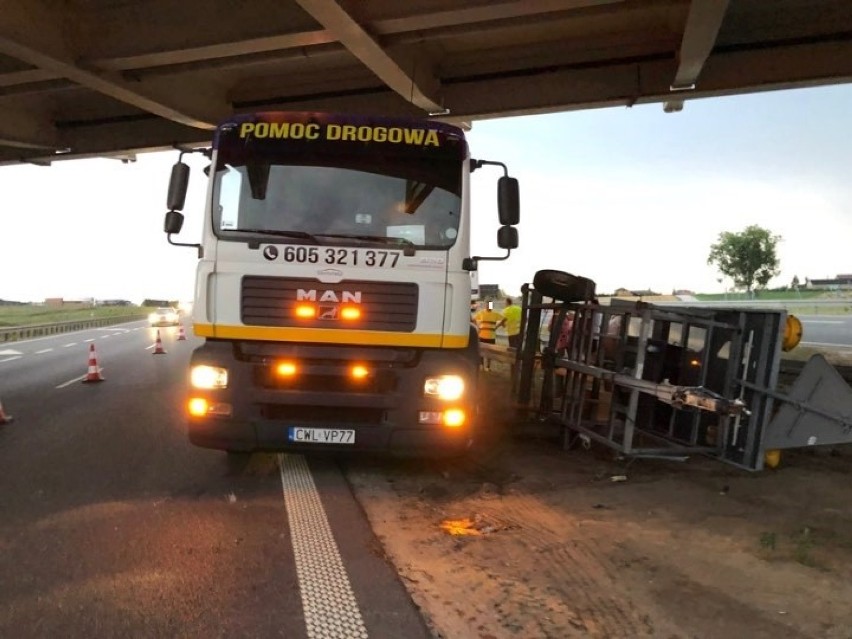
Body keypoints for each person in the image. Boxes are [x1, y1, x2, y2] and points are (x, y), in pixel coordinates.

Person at [474, 301, 502, 370]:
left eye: (490, 306)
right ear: (486, 306)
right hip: (483, 336)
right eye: (488, 305)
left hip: (489, 336)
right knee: (481, 351)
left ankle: (487, 366)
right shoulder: (482, 313)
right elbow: (474, 319)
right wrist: (477, 327)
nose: (489, 307)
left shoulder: (494, 314)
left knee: (489, 352)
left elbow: (504, 319)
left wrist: (497, 327)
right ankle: (482, 365)